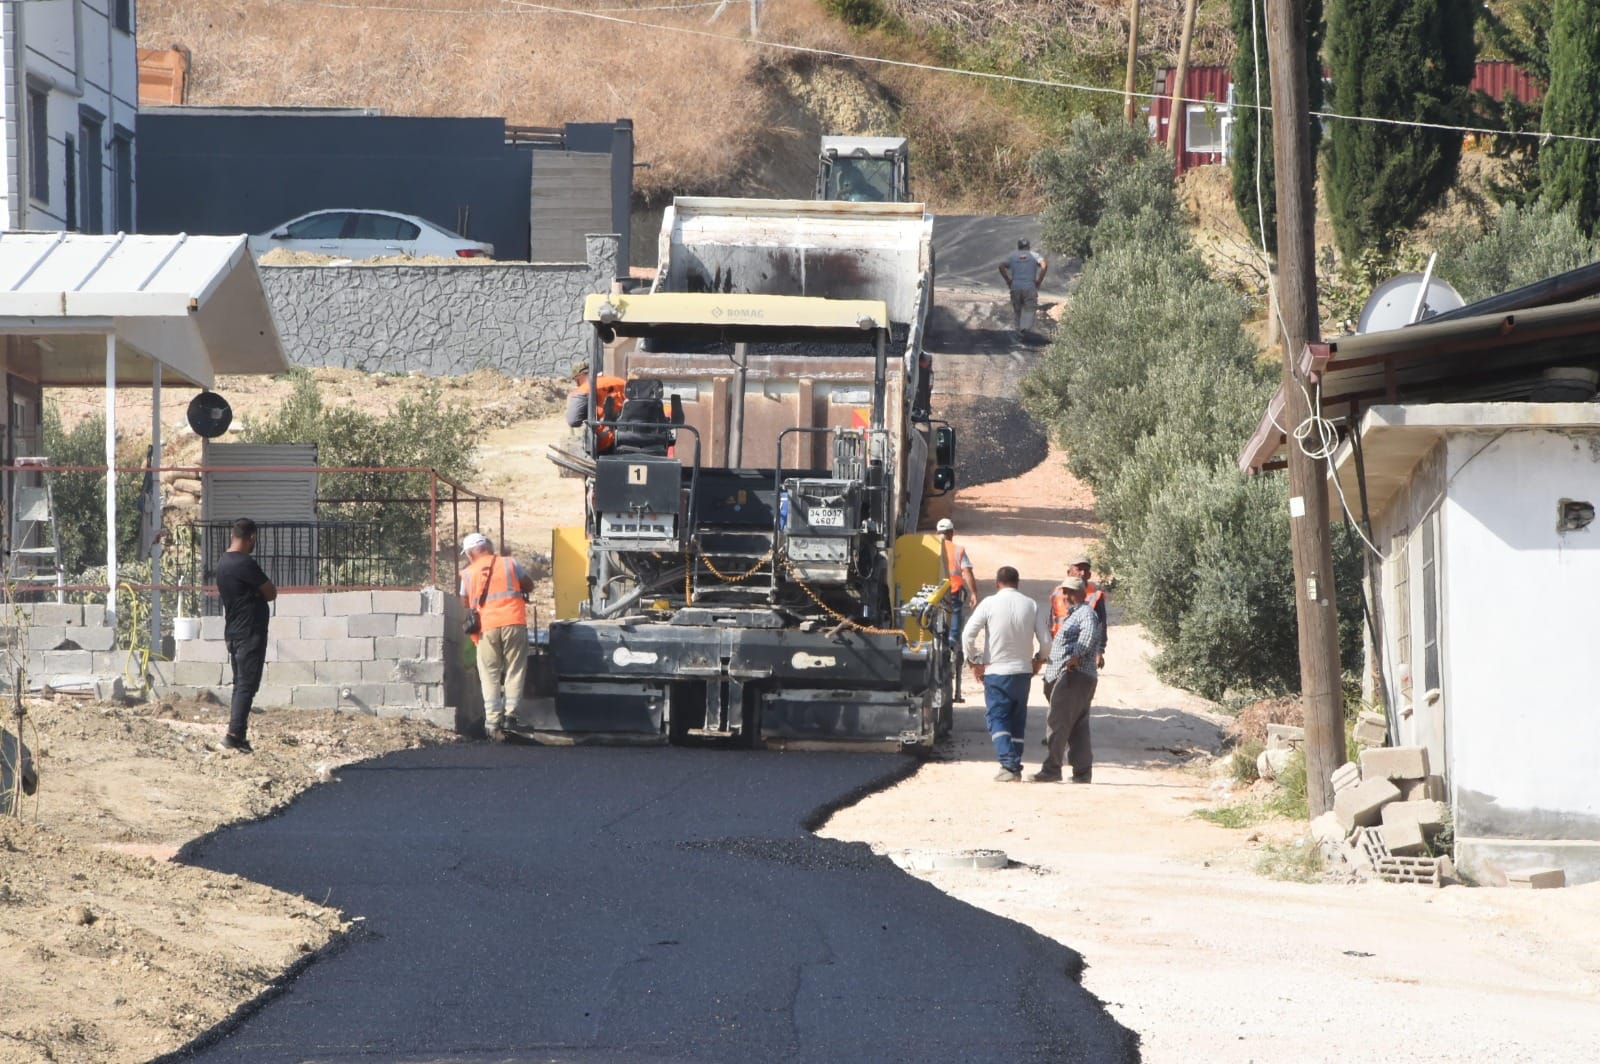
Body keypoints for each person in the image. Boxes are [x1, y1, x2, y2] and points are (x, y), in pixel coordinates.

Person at [961, 566, 1051, 782]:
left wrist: (973, 661)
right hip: (1022, 672)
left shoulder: (989, 604)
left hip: (996, 671)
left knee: (997, 718)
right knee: (1017, 719)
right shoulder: (1030, 604)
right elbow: (1046, 641)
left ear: (996, 583)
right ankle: (1014, 765)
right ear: (1018, 583)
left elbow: (967, 635)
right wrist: (1039, 660)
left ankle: (1008, 765)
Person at [459, 532, 535, 742]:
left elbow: (465, 603)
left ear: (472, 552)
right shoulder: (509, 563)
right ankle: (511, 715)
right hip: (513, 621)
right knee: (515, 669)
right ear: (487, 547)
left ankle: (492, 721)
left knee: (489, 673)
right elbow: (529, 585)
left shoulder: (467, 573)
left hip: (486, 627)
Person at [214, 517, 277, 753]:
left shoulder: (223, 563)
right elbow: (271, 592)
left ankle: (237, 734)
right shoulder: (244, 564)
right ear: (251, 537)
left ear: (233, 535)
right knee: (246, 686)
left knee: (241, 684)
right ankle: (234, 736)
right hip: (249, 632)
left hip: (234, 631)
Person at [1033, 575, 1103, 784]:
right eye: (1065, 591)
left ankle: (1052, 769)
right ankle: (1082, 772)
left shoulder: (1085, 614)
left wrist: (1074, 658)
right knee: (1077, 727)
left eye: (1071, 592)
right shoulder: (1074, 615)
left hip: (1074, 676)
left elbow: (1087, 637)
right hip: (1077, 677)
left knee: (1058, 723)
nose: (1066, 596)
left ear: (1082, 593)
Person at [937, 517, 979, 703]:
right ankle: (952, 645)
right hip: (953, 592)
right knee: (954, 622)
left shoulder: (929, 547)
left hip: (933, 594)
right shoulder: (958, 550)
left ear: (937, 533)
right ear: (952, 533)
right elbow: (967, 572)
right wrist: (974, 593)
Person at [1049, 553, 1108, 669]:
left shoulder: (1095, 597)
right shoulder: (1057, 593)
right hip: (1059, 650)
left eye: (1086, 570)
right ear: (1068, 572)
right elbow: (1051, 621)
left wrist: (1099, 651)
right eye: (1078, 569)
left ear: (1090, 574)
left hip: (1084, 652)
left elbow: (1101, 625)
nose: (1082, 573)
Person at [565, 359, 627, 453]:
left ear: (579, 377)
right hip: (627, 437)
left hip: (604, 443)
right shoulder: (620, 382)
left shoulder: (584, 389)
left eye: (576, 380)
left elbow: (573, 421)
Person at [998, 238, 1048, 338]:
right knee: (1029, 309)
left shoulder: (1013, 256)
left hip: (1015, 287)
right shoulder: (1034, 255)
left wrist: (1008, 280)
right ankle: (1026, 330)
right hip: (1030, 287)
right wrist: (1039, 281)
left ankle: (1019, 333)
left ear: (1018, 246)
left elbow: (1001, 266)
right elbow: (1044, 265)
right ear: (1029, 246)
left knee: (1018, 311)